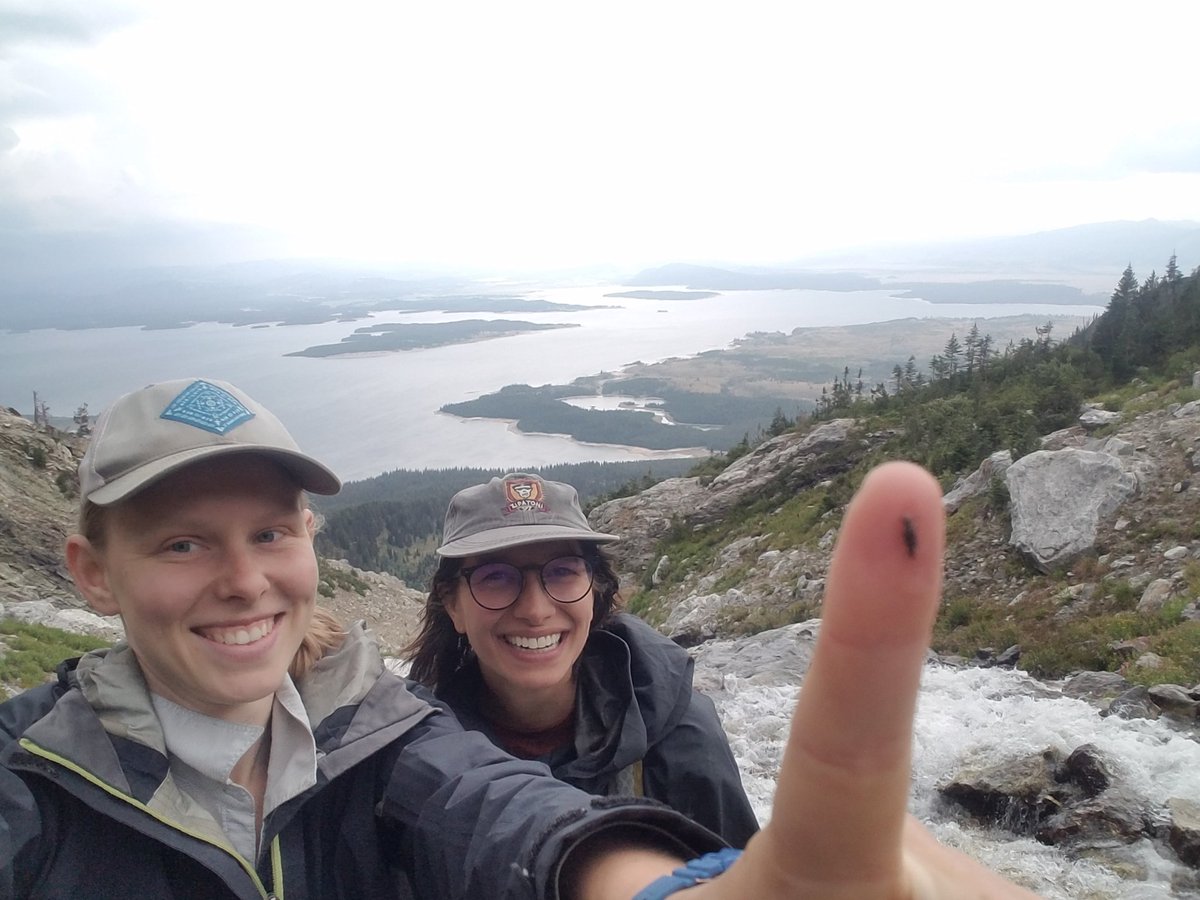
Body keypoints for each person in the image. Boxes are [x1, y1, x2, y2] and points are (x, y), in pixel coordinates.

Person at [0, 376, 1041, 899]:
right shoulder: (28, 787)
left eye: (270, 532)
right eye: (182, 543)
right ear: (91, 573)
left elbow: (501, 813)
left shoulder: (378, 731)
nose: (242, 580)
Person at [404, 473, 758, 847]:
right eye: (496, 577)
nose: (536, 611)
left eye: (562, 572)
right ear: (452, 604)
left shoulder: (680, 733)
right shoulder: (420, 753)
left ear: (595, 589)